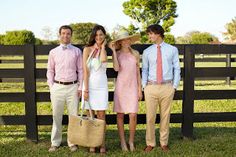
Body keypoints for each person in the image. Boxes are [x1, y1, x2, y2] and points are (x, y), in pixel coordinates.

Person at [142, 24, 181, 152]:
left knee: (165, 116)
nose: (149, 36)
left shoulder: (172, 50)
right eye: (148, 34)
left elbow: (177, 68)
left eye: (151, 33)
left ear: (159, 33)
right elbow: (145, 70)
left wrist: (174, 86)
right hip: (151, 87)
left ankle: (164, 142)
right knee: (150, 117)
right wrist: (144, 86)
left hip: (167, 87)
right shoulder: (147, 51)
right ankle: (150, 143)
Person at [46, 25, 83, 152]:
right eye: (63, 33)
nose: (65, 35)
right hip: (57, 87)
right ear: (59, 35)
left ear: (71, 35)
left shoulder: (77, 51)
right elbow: (50, 70)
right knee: (57, 116)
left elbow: (81, 70)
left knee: (73, 116)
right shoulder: (53, 52)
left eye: (68, 33)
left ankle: (72, 142)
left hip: (73, 87)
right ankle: (55, 142)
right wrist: (51, 86)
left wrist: (80, 86)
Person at [109, 30, 142, 152]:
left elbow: (138, 72)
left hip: (133, 87)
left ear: (130, 41)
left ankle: (131, 141)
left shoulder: (135, 54)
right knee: (120, 115)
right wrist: (113, 51)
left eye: (128, 39)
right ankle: (123, 142)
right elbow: (116, 68)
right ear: (120, 42)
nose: (126, 41)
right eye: (123, 40)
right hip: (121, 87)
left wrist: (140, 89)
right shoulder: (116, 54)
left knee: (133, 115)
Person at [82, 25, 108, 154]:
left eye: (101, 35)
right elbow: (85, 72)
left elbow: (103, 60)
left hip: (102, 87)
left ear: (104, 36)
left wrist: (102, 47)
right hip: (90, 86)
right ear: (93, 36)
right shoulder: (87, 50)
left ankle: (102, 143)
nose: (98, 37)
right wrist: (85, 90)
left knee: (101, 116)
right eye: (96, 35)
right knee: (90, 115)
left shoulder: (105, 50)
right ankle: (92, 143)